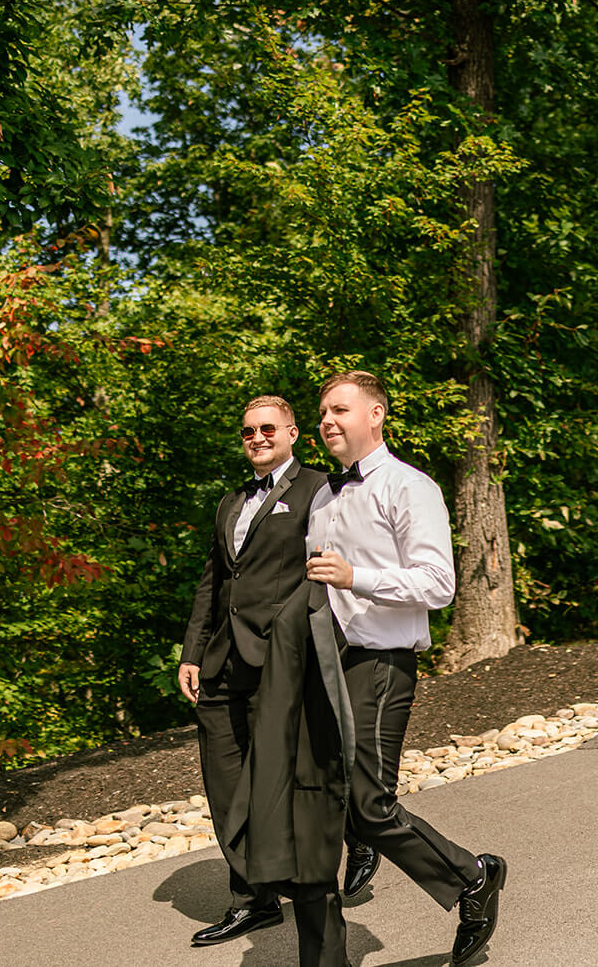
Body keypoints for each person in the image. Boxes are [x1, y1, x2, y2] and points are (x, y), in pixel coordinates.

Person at [304, 371, 506, 966]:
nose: (327, 422)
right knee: (331, 796)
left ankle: (473, 876)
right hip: (325, 664)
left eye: (340, 410)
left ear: (376, 415)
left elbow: (438, 584)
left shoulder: (409, 487)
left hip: (381, 661)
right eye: (321, 413)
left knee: (369, 802)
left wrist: (355, 577)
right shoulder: (322, 497)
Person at [179, 396, 346, 959]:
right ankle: (254, 895)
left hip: (281, 659)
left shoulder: (319, 488)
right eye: (248, 430)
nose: (257, 437)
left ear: (293, 433)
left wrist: (294, 639)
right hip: (223, 661)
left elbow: (323, 569)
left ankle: (310, 871)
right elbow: (214, 583)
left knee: (280, 777)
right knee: (224, 779)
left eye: (267, 428)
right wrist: (192, 652)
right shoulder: (230, 502)